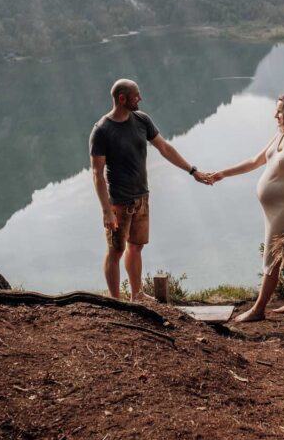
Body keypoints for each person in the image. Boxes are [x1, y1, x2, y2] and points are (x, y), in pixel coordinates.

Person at [90, 78, 211, 300]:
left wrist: (193, 171)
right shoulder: (102, 130)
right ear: (122, 98)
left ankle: (137, 295)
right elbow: (97, 174)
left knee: (136, 247)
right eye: (136, 95)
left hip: (141, 198)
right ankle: (116, 302)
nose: (140, 98)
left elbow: (164, 148)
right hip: (119, 202)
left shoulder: (141, 120)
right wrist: (106, 210)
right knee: (115, 251)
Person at [210, 94, 284, 322]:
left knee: (271, 257)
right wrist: (223, 174)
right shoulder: (281, 135)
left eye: (279, 111)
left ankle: (258, 310)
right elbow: (254, 161)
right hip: (272, 211)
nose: (275, 115)